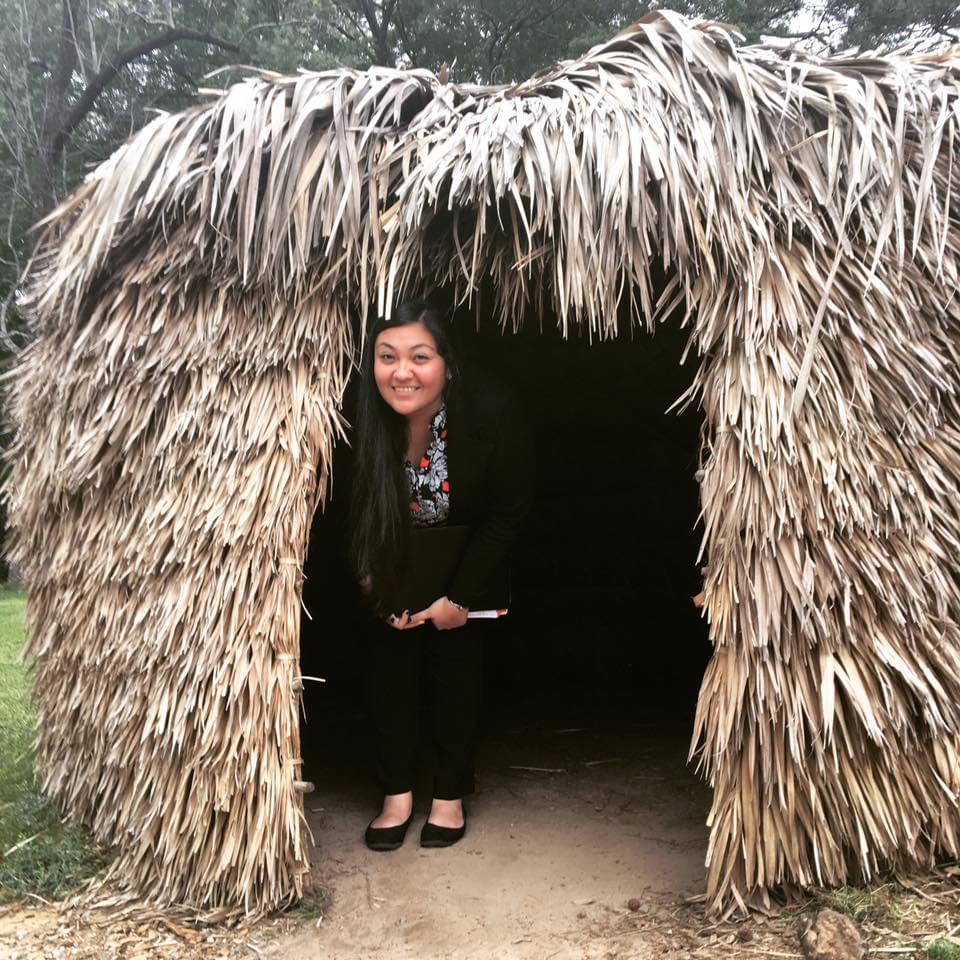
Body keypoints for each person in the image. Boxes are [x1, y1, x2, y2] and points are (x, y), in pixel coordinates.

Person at [349, 298, 532, 851]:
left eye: (418, 356)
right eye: (387, 357)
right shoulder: (359, 421)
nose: (401, 372)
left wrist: (460, 597)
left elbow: (509, 511)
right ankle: (396, 795)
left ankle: (449, 796)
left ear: (447, 363)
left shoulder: (491, 412)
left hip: (465, 570)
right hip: (391, 570)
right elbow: (342, 510)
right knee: (388, 666)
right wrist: (369, 582)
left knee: (456, 664)